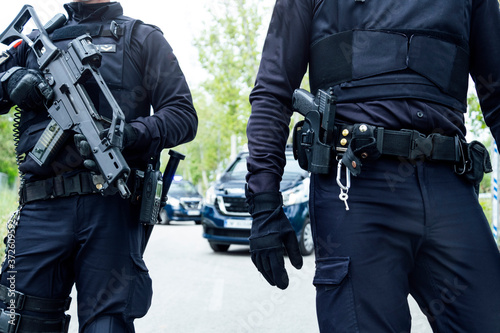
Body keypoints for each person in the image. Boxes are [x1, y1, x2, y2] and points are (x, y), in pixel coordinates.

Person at [245, 0, 500, 332]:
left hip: (450, 185)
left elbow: (496, 95)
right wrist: (264, 202)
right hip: (355, 187)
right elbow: (274, 91)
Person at [0, 0, 197, 332]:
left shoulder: (142, 39)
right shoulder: (33, 41)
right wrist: (11, 79)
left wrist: (131, 134)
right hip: (40, 208)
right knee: (16, 322)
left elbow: (183, 115)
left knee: (108, 326)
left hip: (112, 209)